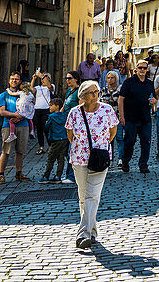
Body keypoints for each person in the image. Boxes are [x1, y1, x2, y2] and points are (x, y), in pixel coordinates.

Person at [66, 81, 117, 253]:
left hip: (99, 159)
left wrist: (100, 148)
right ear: (82, 96)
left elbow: (112, 131)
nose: (95, 95)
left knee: (92, 195)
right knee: (83, 196)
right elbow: (70, 135)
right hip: (79, 159)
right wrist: (83, 148)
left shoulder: (107, 110)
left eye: (96, 91)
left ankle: (83, 234)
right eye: (90, 92)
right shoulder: (74, 113)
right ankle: (92, 230)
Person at [118, 60, 154, 174]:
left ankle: (143, 164)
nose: (142, 70)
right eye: (140, 68)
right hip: (130, 118)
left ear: (147, 69)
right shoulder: (128, 82)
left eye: (144, 68)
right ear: (136, 69)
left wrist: (153, 101)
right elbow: (121, 99)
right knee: (129, 142)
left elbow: (153, 97)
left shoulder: (150, 83)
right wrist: (121, 116)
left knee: (146, 142)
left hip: (145, 119)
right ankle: (125, 161)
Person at [0, 72, 29, 185]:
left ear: (20, 81)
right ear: (9, 80)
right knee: (6, 150)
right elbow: (2, 112)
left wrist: (21, 117)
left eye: (16, 79)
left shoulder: (24, 94)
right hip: (8, 125)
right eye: (12, 79)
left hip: (23, 124)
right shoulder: (3, 95)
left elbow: (30, 108)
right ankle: (1, 174)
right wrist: (15, 115)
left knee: (20, 151)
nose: (14, 81)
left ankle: (18, 173)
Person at [60, 70, 81, 184]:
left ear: (76, 79)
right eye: (66, 78)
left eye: (69, 78)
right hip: (66, 123)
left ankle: (72, 176)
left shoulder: (79, 92)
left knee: (71, 150)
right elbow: (64, 105)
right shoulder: (69, 91)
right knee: (67, 151)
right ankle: (69, 174)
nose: (67, 80)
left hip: (75, 125)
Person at [41, 97, 68, 182]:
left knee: (51, 158)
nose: (49, 107)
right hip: (64, 139)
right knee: (61, 158)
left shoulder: (51, 117)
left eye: (51, 105)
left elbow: (46, 127)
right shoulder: (64, 116)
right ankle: (58, 176)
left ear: (57, 106)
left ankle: (46, 176)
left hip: (55, 139)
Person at [100, 72, 124, 166]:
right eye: (108, 77)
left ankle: (121, 158)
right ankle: (109, 158)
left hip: (117, 117)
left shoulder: (120, 89)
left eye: (112, 77)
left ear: (116, 79)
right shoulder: (103, 90)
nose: (110, 79)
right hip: (106, 120)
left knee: (119, 137)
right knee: (108, 139)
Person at [32, 73, 54, 153]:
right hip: (37, 110)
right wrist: (34, 79)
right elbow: (31, 90)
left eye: (46, 77)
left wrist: (42, 76)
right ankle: (41, 147)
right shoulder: (38, 87)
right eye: (42, 77)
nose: (43, 79)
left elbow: (50, 87)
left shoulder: (51, 86)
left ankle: (50, 146)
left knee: (46, 129)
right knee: (39, 129)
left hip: (46, 109)